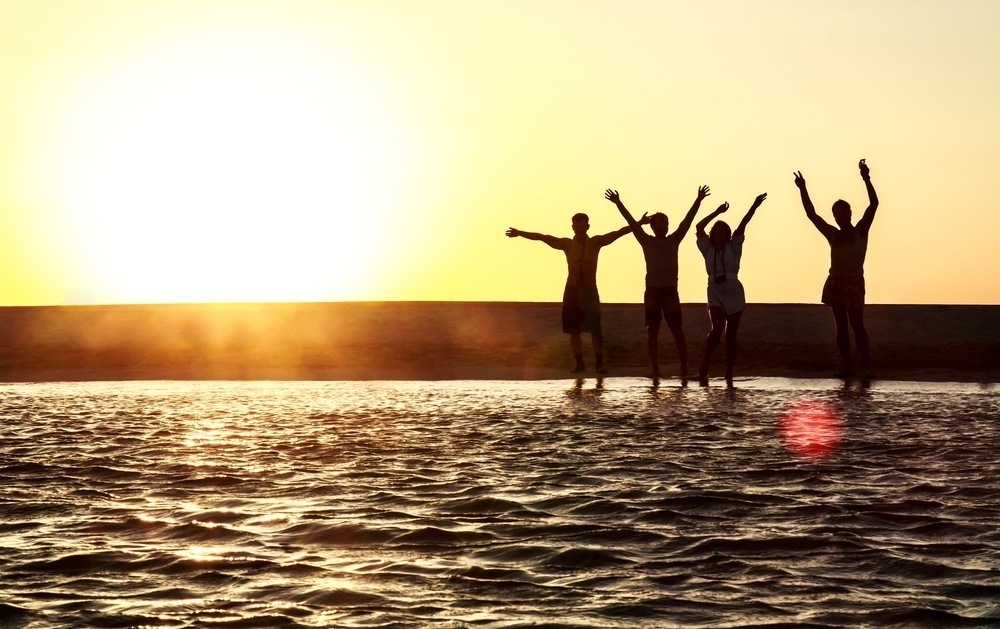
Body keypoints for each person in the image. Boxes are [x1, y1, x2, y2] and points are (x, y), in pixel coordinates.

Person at [604, 185, 711, 381]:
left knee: (677, 331)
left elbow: (687, 221)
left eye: (664, 224)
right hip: (652, 291)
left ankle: (684, 369)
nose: (661, 227)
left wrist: (698, 200)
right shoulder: (646, 241)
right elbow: (632, 223)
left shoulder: (674, 240)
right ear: (652, 227)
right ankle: (655, 369)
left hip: (670, 291)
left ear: (668, 226)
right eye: (657, 224)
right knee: (652, 332)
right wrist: (618, 203)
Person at [506, 214, 631, 373]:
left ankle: (599, 364)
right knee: (574, 330)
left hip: (589, 289)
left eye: (582, 226)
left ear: (587, 227)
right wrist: (520, 233)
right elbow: (542, 237)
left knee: (595, 330)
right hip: (572, 290)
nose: (579, 229)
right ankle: (579, 363)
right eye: (576, 226)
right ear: (572, 227)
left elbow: (618, 233)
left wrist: (639, 223)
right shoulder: (566, 244)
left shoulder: (595, 242)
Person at [794, 159, 879, 378]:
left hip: (854, 282)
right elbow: (812, 215)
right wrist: (803, 189)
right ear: (835, 216)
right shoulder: (833, 234)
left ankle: (866, 366)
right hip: (836, 282)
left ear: (850, 213)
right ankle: (848, 366)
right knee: (841, 327)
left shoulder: (860, 230)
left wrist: (866, 178)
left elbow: (874, 205)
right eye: (837, 213)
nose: (841, 216)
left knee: (857, 325)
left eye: (844, 211)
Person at [694, 193, 767, 386]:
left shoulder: (734, 246)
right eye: (716, 231)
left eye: (723, 231)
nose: (720, 234)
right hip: (715, 289)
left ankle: (729, 372)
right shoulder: (707, 248)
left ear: (727, 234)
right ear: (713, 234)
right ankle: (704, 366)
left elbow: (743, 224)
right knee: (716, 330)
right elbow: (699, 227)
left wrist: (754, 205)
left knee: (731, 334)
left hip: (733, 289)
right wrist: (717, 211)